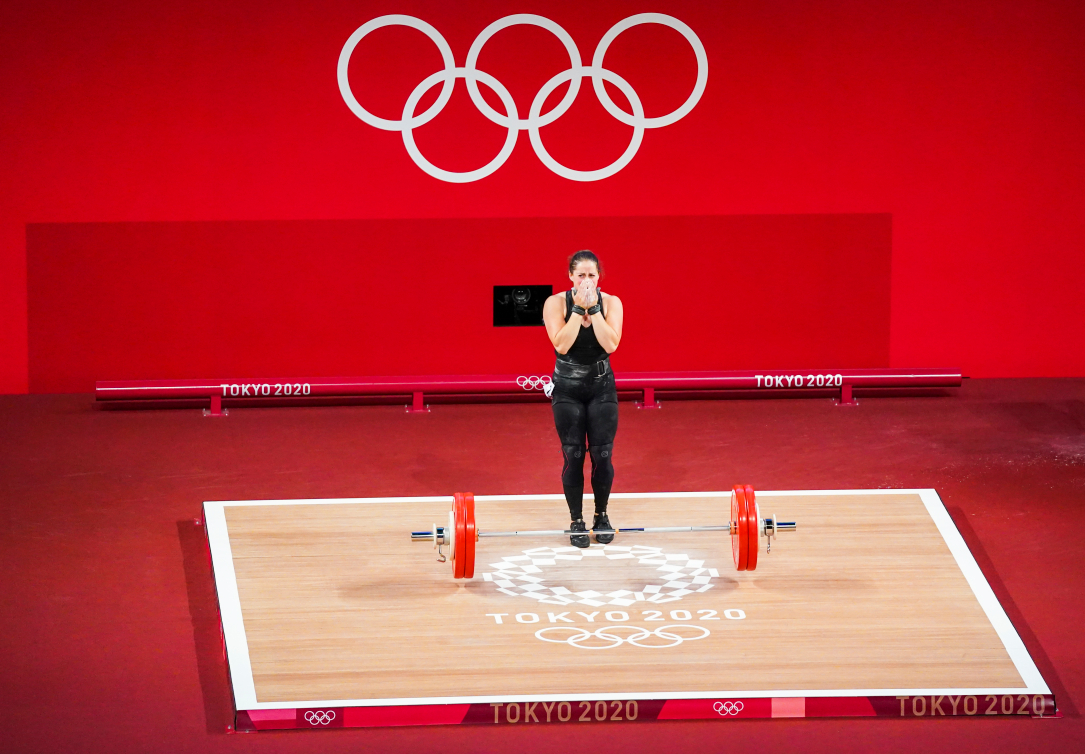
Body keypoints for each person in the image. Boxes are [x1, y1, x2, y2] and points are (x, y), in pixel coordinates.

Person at [542, 250, 624, 548]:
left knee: (602, 455)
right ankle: (576, 520)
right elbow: (562, 345)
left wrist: (596, 311)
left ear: (599, 278)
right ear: (571, 278)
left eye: (592, 275)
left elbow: (610, 343)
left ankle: (601, 516)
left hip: (601, 387)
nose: (586, 281)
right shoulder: (555, 303)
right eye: (581, 276)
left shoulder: (612, 302)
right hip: (567, 389)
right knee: (573, 455)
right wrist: (578, 310)